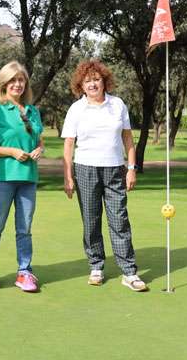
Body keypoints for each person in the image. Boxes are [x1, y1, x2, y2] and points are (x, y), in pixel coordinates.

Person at [61, 60, 148, 292]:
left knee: (119, 219)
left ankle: (129, 272)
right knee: (91, 220)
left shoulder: (117, 104)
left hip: (114, 169)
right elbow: (69, 145)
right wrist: (67, 176)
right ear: (81, 84)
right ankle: (96, 266)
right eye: (88, 80)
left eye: (96, 79)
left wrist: (131, 168)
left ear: (104, 81)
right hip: (85, 168)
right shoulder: (76, 109)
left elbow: (128, 139)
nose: (92, 84)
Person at [0, 61, 44, 292]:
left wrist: (39, 149)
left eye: (21, 80)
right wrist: (12, 152)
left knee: (24, 228)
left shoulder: (33, 111)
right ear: (4, 83)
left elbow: (38, 140)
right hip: (2, 178)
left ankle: (24, 272)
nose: (17, 84)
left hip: (28, 178)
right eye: (13, 80)